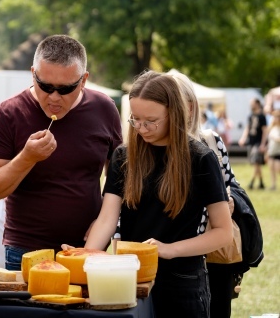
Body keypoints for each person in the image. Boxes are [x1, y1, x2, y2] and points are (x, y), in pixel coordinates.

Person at [82, 71, 232, 317]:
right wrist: (85, 257)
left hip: (183, 283)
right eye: (135, 119)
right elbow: (107, 219)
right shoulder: (124, 156)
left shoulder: (201, 159)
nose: (141, 128)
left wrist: (169, 249)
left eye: (151, 121)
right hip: (131, 279)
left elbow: (223, 233)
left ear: (174, 114)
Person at [0, 34, 123, 270]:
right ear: (33, 73)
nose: (53, 97)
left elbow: (119, 181)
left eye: (65, 89)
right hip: (27, 251)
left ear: (83, 80)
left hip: (87, 248)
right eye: (44, 86)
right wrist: (27, 158)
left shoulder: (104, 108)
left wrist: (105, 222)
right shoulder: (7, 114)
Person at [167, 70, 238, 318]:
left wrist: (228, 202)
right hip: (176, 256)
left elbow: (230, 183)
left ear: (189, 106)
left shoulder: (210, 141)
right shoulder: (150, 147)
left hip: (213, 251)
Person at [238, 98, 268, 189]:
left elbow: (265, 131)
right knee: (257, 163)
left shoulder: (262, 117)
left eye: (252, 103)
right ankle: (261, 183)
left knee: (256, 161)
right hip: (251, 142)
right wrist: (243, 138)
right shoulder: (250, 116)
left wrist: (263, 144)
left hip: (258, 142)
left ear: (257, 104)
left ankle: (252, 182)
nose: (251, 105)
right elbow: (247, 128)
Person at [266, 110, 280, 191]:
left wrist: (277, 138)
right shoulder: (271, 128)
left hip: (278, 151)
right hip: (272, 151)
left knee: (278, 168)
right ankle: (273, 185)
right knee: (271, 169)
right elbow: (269, 141)